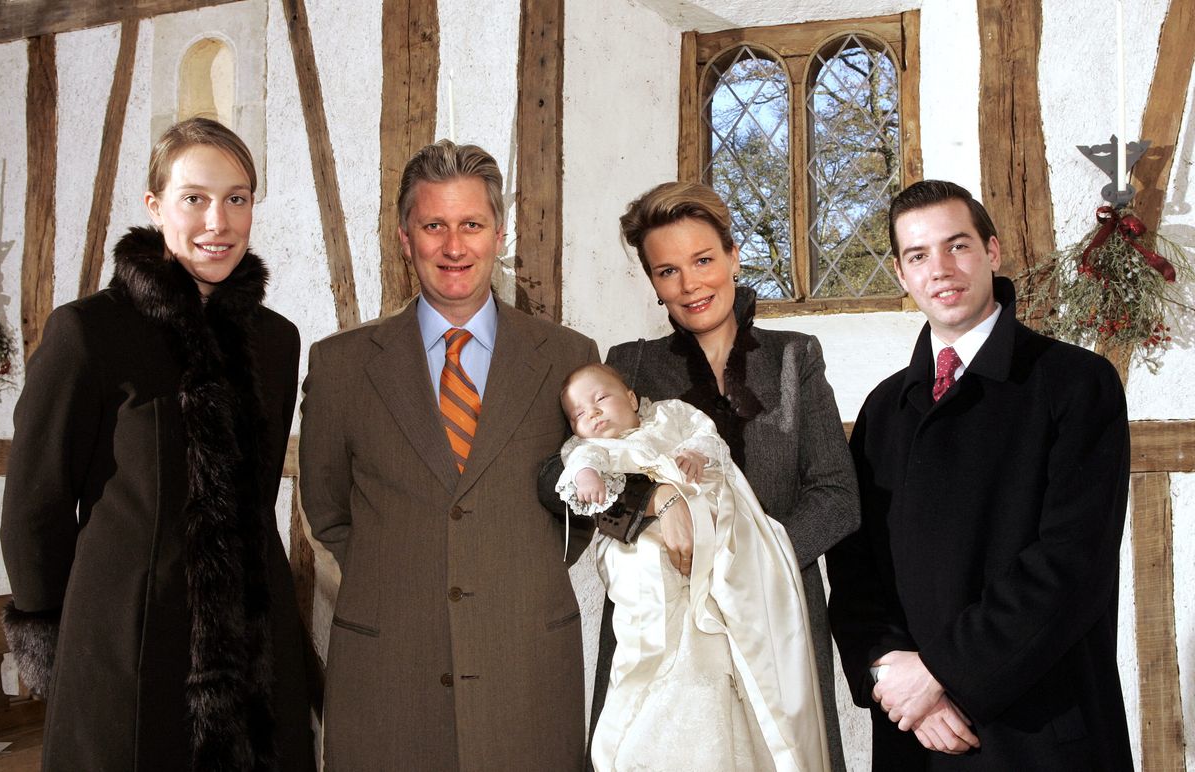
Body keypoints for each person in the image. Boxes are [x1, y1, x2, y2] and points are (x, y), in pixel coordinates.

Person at [0, 117, 314, 770]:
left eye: (237, 198)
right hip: (125, 647)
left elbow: (253, 500)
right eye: (194, 198)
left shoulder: (276, 341)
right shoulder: (88, 333)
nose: (217, 222)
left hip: (254, 652)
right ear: (155, 206)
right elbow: (37, 508)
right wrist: (65, 641)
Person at [299, 139, 600, 770]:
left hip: (526, 663)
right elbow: (327, 510)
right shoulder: (341, 366)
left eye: (471, 224)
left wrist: (514, 568)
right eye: (434, 225)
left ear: (498, 234)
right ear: (405, 239)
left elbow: (586, 501)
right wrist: (400, 577)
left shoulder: (568, 358)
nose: (454, 246)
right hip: (387, 668)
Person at [538, 181, 858, 770]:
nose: (690, 285)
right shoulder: (628, 366)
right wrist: (650, 497)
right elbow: (557, 480)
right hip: (660, 631)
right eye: (667, 271)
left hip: (774, 612)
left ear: (734, 256)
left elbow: (838, 496)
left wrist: (751, 557)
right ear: (654, 283)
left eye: (704, 260)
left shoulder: (795, 357)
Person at [827, 180, 1133, 770]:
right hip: (918, 737)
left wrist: (945, 674)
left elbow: (1071, 564)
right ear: (900, 274)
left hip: (1040, 731)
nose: (940, 269)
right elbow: (855, 568)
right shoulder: (883, 410)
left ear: (992, 252)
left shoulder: (1075, 384)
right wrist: (895, 674)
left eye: (957, 246)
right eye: (918, 256)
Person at [557, 362, 830, 772]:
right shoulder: (593, 448)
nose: (592, 414)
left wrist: (694, 455)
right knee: (652, 617)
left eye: (601, 399)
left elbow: (706, 436)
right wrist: (591, 478)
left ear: (632, 398)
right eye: (579, 414)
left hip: (714, 530)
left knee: (734, 667)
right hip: (641, 550)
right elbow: (578, 469)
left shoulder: (670, 414)